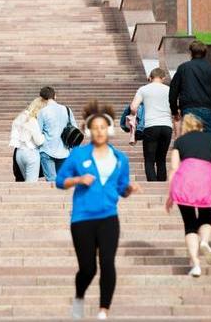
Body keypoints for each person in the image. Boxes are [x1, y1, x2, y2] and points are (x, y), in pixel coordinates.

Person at [56, 100, 141, 320]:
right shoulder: (78, 155)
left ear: (109, 129)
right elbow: (59, 180)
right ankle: (79, 297)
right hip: (82, 218)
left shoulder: (120, 159)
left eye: (103, 127)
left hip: (108, 218)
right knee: (88, 269)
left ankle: (104, 310)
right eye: (95, 128)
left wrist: (129, 189)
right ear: (89, 130)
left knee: (107, 262)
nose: (100, 131)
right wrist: (78, 179)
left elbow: (122, 189)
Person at [166, 114, 211, 278]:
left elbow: (174, 169)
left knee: (189, 224)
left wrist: (171, 194)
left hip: (185, 180)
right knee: (206, 217)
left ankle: (196, 264)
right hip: (206, 178)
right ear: (200, 126)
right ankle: (204, 241)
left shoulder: (179, 142)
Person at [169, 40, 211, 142]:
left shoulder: (183, 68)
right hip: (209, 110)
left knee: (190, 140)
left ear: (191, 53)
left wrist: (174, 110)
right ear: (205, 53)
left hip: (189, 110)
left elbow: (173, 91)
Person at [131, 68, 173, 181]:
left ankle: (153, 183)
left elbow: (133, 107)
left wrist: (136, 115)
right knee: (161, 159)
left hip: (150, 126)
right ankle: (162, 183)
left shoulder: (143, 89)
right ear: (163, 78)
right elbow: (175, 108)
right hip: (167, 126)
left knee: (149, 159)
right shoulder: (169, 90)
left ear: (151, 77)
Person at [37, 86, 76, 181]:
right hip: (64, 150)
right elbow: (75, 129)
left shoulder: (42, 112)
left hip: (47, 150)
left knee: (51, 181)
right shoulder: (67, 110)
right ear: (55, 96)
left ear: (42, 99)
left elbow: (38, 131)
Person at [9, 97, 47, 182]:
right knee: (31, 185)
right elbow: (39, 141)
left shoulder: (21, 117)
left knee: (25, 182)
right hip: (31, 153)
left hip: (19, 152)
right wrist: (45, 136)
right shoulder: (33, 120)